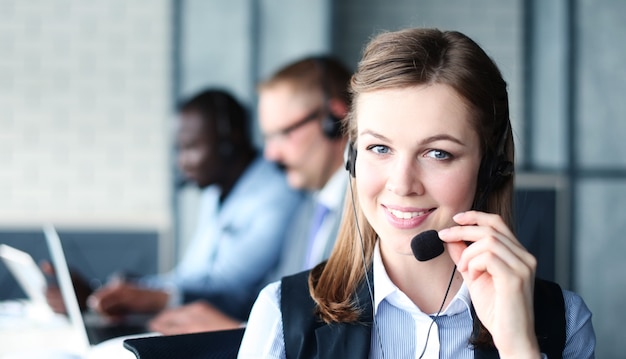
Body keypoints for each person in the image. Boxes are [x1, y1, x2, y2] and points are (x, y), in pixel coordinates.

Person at [238, 28, 596, 358]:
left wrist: (519, 346)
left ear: (490, 169)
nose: (402, 183)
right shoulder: (280, 318)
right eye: (380, 148)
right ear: (352, 158)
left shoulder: (564, 322)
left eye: (438, 153)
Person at [46, 89, 304, 324]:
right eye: (178, 149)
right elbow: (189, 275)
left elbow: (229, 289)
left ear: (229, 141)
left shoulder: (278, 193)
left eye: (190, 147)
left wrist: (151, 296)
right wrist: (103, 291)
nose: (182, 163)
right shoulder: (216, 193)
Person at [147, 56, 353, 334]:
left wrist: (238, 331)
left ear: (334, 119)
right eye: (267, 138)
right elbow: (283, 305)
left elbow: (339, 334)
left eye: (283, 134)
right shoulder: (309, 209)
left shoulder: (368, 212)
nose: (270, 154)